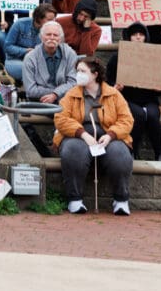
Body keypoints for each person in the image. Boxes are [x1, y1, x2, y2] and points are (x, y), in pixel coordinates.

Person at [53, 56, 134, 215]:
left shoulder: (114, 94)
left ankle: (121, 199)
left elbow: (126, 120)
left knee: (119, 154)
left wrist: (111, 135)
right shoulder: (71, 94)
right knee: (73, 151)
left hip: (108, 136)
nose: (78, 74)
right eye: (77, 71)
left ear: (95, 74)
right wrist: (82, 134)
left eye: (83, 71)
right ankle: (75, 199)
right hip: (78, 135)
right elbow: (61, 118)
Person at [107, 23, 161, 160]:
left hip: (149, 100)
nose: (138, 37)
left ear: (146, 37)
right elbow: (108, 81)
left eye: (141, 34)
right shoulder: (117, 57)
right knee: (137, 115)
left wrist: (159, 89)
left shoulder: (154, 57)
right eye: (134, 35)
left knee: (152, 116)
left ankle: (160, 153)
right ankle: (132, 151)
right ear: (129, 37)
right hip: (127, 99)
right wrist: (115, 87)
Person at [23, 21, 78, 103]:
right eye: (48, 34)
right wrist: (56, 92)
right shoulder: (30, 58)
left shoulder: (70, 54)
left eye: (55, 35)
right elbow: (30, 90)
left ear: (60, 39)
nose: (52, 38)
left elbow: (73, 82)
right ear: (41, 37)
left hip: (65, 98)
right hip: (40, 100)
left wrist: (55, 94)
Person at [4, 3, 58, 82]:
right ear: (39, 18)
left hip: (37, 63)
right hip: (15, 60)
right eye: (50, 20)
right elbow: (7, 47)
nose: (53, 22)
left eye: (54, 19)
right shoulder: (20, 24)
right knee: (32, 71)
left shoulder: (51, 31)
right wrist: (26, 51)